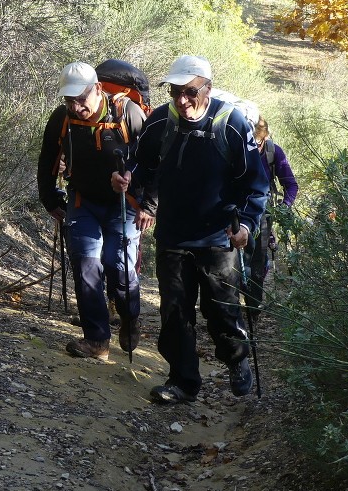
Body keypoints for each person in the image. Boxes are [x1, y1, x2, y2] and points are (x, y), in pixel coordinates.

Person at [113, 54, 269, 403]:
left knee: (221, 309)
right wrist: (127, 177)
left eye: (190, 91)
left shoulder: (232, 123)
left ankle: (237, 360)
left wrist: (246, 225)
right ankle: (182, 382)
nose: (182, 100)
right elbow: (140, 162)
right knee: (175, 313)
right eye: (175, 92)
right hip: (173, 235)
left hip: (219, 238)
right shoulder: (160, 121)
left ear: (207, 88)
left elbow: (255, 184)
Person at [36, 61, 154, 361]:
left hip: (125, 204)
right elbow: (48, 157)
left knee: (119, 269)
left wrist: (148, 203)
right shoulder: (63, 118)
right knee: (86, 266)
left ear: (98, 89)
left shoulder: (129, 113)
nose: (76, 107)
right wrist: (50, 199)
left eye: (81, 99)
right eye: (69, 100)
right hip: (82, 201)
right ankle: (96, 339)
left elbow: (154, 161)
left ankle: (130, 318)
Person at [243, 117, 298, 319]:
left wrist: (283, 209)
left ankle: (253, 310)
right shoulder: (235, 147)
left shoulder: (273, 153)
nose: (253, 146)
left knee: (257, 262)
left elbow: (291, 185)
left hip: (263, 216)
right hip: (235, 212)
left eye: (257, 142)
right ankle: (231, 307)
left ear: (264, 137)